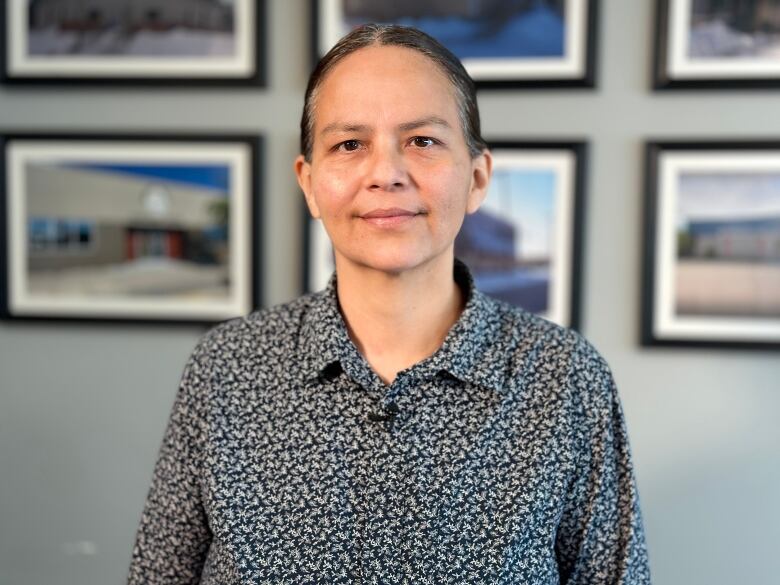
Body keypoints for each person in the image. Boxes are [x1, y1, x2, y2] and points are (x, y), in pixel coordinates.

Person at [127, 24, 651, 584]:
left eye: (422, 141)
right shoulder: (226, 368)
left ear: (477, 177)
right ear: (308, 183)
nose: (385, 174)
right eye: (349, 144)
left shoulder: (566, 378)